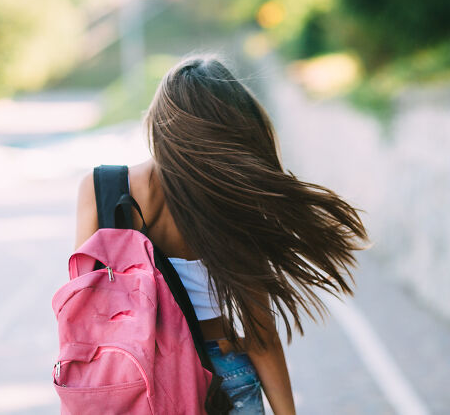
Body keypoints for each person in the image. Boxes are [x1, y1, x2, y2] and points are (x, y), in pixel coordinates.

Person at [74, 53, 369, 414]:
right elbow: (260, 335)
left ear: (159, 122)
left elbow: (85, 313)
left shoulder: (100, 189)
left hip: (137, 383)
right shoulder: (230, 199)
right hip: (225, 379)